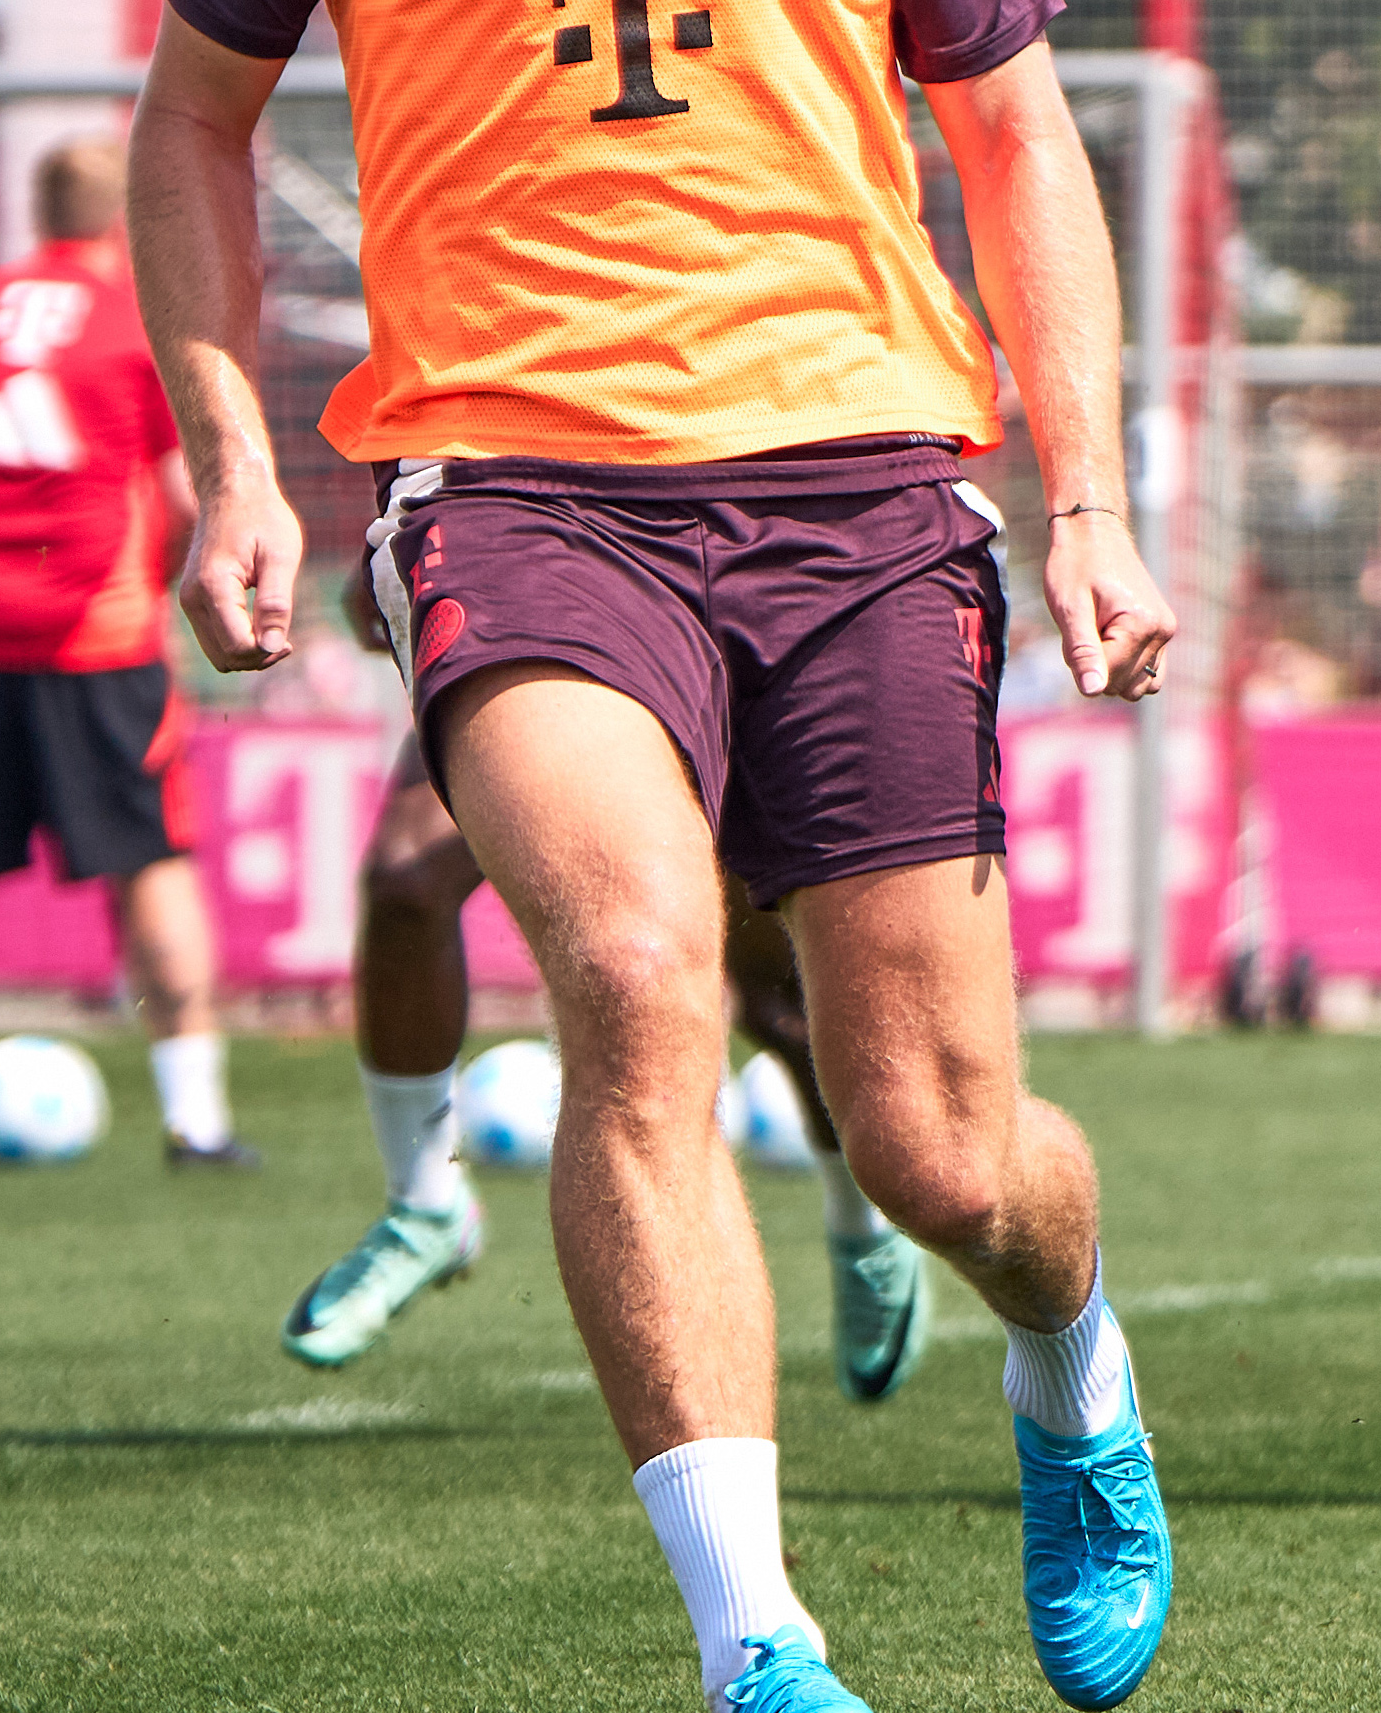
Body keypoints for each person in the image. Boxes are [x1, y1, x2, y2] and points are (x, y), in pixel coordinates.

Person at [128, 0, 1178, 1713]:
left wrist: (1094, 494)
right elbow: (192, 121)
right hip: (514, 475)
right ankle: (766, 1652)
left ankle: (1075, 1361)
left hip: (854, 480)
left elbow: (1012, 129)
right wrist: (237, 456)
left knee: (946, 1150)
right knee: (624, 975)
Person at [278, 565, 931, 1402]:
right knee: (407, 880)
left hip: (707, 554)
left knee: (769, 993)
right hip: (539, 559)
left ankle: (860, 1219)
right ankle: (424, 1208)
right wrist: (388, 542)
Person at [0, 138, 251, 1168]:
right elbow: (173, 497)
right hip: (100, 644)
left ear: (35, 206)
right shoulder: (139, 320)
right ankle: (196, 1122)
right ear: (122, 213)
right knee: (152, 863)